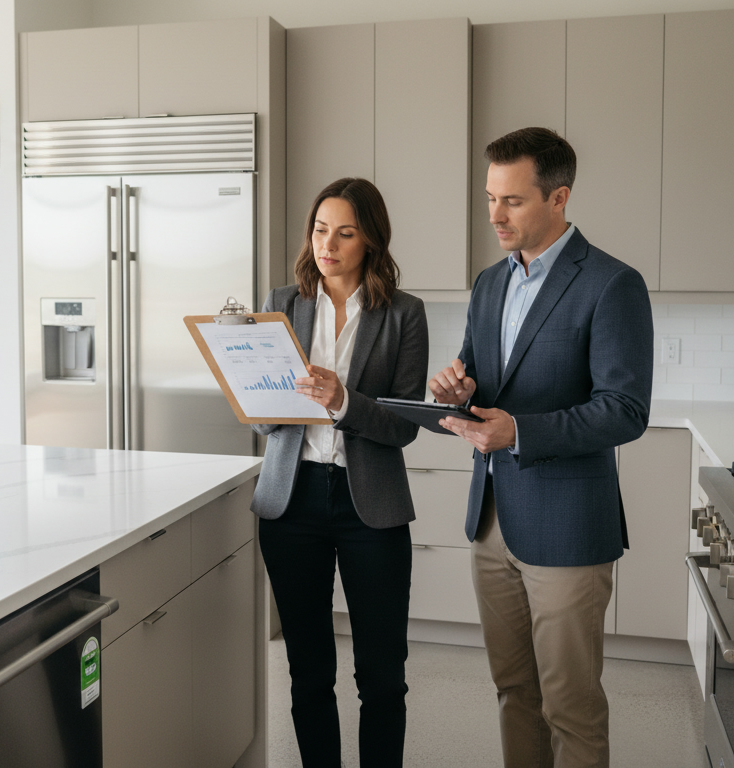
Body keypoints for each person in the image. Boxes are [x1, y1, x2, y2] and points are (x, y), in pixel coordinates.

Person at [429, 127, 654, 768]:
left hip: (567, 527)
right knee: (513, 691)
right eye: (490, 198)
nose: (495, 215)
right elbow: (482, 383)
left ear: (559, 197)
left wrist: (521, 432)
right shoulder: (488, 283)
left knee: (570, 706)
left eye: (513, 201)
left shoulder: (612, 284)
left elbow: (625, 411)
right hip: (492, 518)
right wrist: (457, 388)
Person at [250, 177, 428, 768]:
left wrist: (344, 401)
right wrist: (252, 391)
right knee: (308, 670)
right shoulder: (282, 303)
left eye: (346, 232)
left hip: (369, 507)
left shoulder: (405, 315)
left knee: (382, 675)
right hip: (291, 500)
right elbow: (264, 425)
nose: (328, 244)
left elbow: (404, 424)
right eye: (321, 229)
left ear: (371, 240)